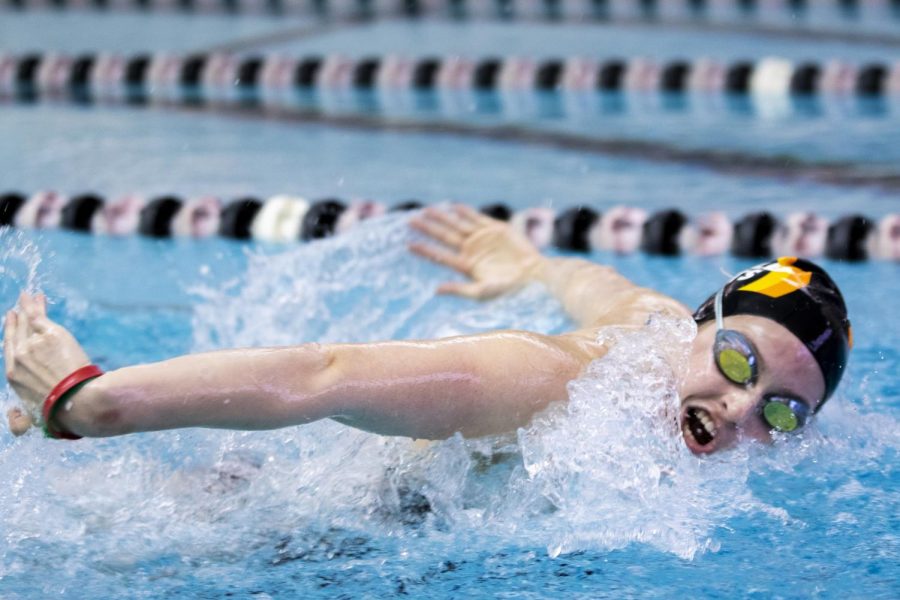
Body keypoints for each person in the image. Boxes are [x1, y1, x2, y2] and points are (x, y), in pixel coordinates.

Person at [4, 205, 851, 455]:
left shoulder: (656, 325)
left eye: (783, 411)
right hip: (312, 538)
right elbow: (325, 376)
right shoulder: (560, 383)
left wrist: (529, 267)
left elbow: (598, 282)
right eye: (739, 360)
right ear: (699, 327)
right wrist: (90, 402)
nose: (742, 411)